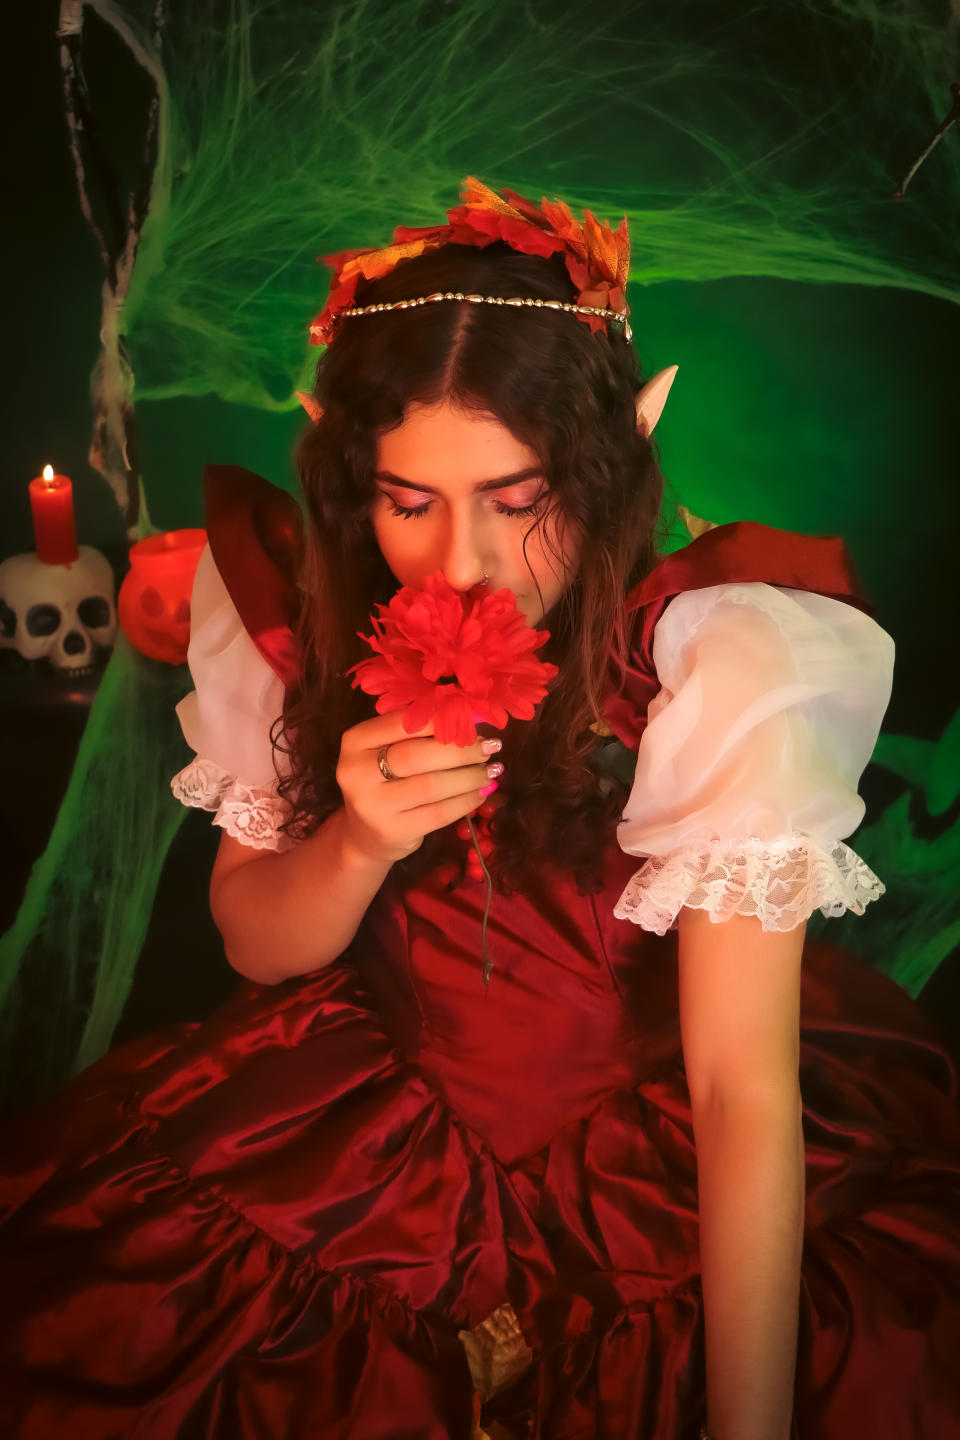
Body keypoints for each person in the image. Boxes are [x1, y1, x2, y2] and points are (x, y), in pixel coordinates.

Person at [1, 177, 958, 1440]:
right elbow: (256, 944)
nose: (463, 564)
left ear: (614, 455)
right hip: (356, 1139)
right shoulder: (297, 614)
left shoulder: (721, 665)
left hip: (664, 1163)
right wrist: (357, 842)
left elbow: (739, 1086)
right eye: (408, 503)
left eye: (520, 501)